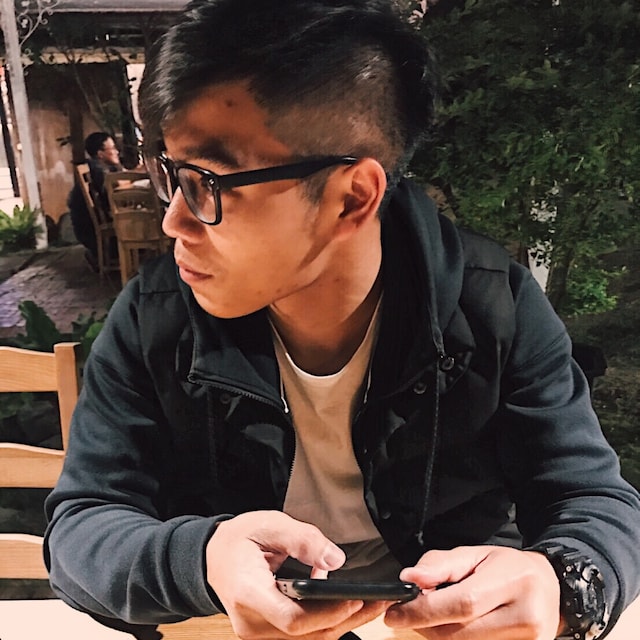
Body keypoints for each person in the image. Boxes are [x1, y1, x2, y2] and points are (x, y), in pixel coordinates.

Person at [45, 1, 640, 639]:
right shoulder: (158, 315)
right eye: (170, 174)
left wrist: (564, 586)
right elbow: (81, 530)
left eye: (206, 183)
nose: (174, 222)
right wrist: (202, 558)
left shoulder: (492, 307)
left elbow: (594, 500)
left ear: (352, 197)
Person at [67, 132, 122, 269]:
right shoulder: (96, 169)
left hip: (94, 228)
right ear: (100, 154)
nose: (117, 152)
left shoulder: (103, 166)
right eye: (112, 148)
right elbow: (116, 188)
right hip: (91, 232)